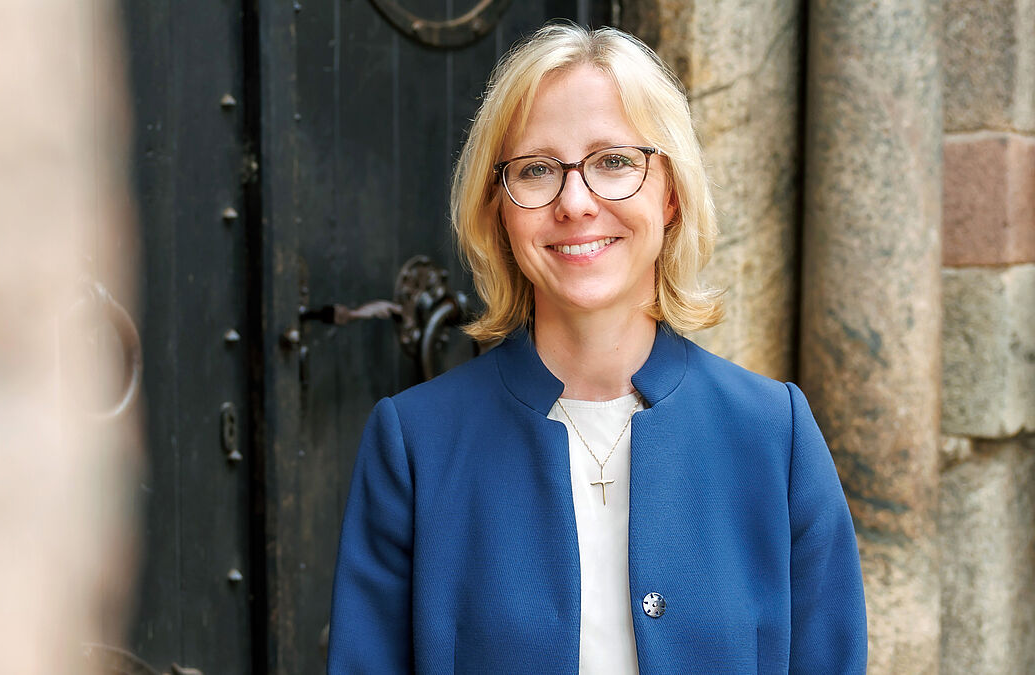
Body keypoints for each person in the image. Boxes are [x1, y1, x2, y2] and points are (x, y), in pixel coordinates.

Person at [327, 22, 866, 674]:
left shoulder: (774, 435)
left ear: (670, 193)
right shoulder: (413, 445)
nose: (575, 202)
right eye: (536, 169)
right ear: (499, 208)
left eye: (614, 161)